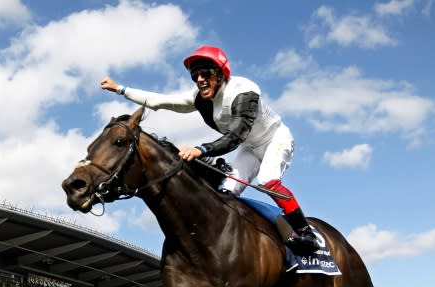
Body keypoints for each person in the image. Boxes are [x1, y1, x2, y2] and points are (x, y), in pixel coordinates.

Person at [100, 45, 319, 254]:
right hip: (250, 147)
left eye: (205, 74)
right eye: (195, 76)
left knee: (267, 181)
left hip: (275, 139)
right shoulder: (198, 98)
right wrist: (121, 89)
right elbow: (161, 101)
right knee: (225, 192)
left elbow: (235, 136)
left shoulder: (243, 92)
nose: (200, 80)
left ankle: (305, 232)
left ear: (221, 74)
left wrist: (201, 149)